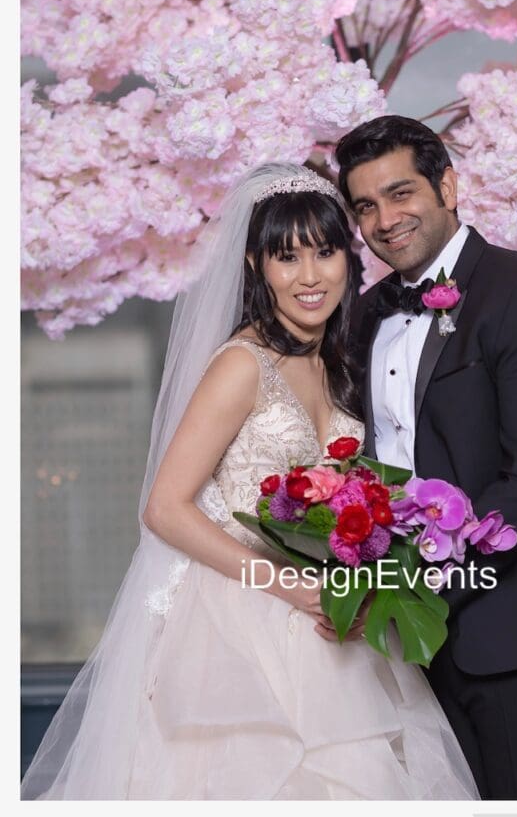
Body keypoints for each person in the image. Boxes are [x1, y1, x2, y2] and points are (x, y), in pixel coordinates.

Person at [21, 162, 478, 801]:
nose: (310, 276)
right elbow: (165, 508)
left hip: (331, 613)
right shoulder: (242, 364)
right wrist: (288, 585)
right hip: (240, 621)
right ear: (254, 266)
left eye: (325, 252)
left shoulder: (339, 361)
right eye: (286, 258)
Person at [335, 116, 517, 801]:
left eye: (400, 194)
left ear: (447, 185)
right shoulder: (364, 316)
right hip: (403, 655)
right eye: (366, 205)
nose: (384, 219)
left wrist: (416, 583)